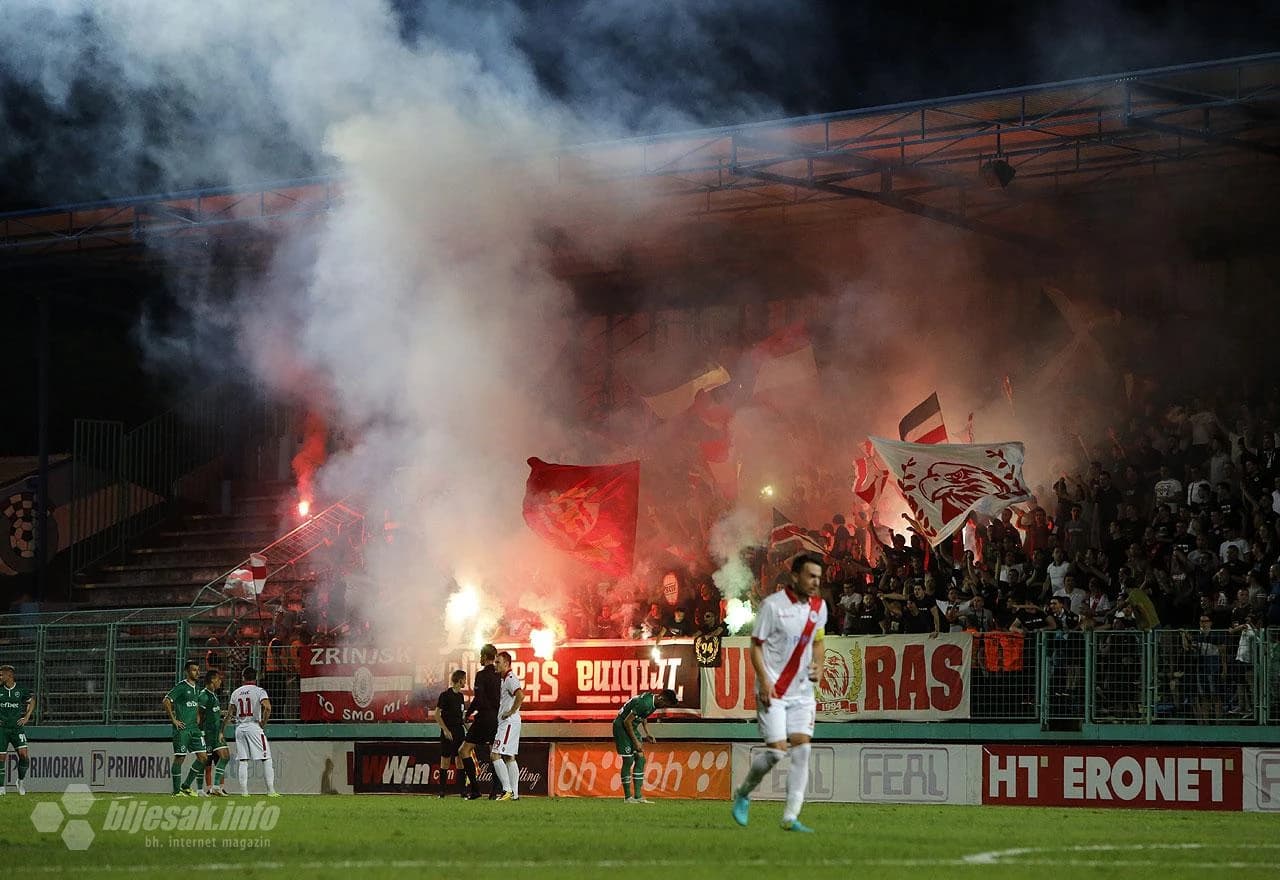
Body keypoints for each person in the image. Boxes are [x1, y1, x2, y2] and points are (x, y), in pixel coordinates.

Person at [731, 553, 827, 833]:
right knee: (776, 753)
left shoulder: (819, 607)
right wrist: (764, 680)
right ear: (795, 576)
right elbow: (756, 646)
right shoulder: (772, 607)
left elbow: (818, 642)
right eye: (811, 576)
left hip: (802, 692)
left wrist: (818, 664)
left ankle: (790, 817)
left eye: (818, 578)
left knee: (803, 750)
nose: (815, 582)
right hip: (774, 688)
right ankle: (743, 792)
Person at [613, 689, 679, 803]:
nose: (664, 707)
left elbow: (643, 716)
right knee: (628, 760)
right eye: (665, 704)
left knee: (641, 759)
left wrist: (647, 733)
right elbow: (627, 722)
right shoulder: (645, 703)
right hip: (621, 727)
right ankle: (628, 798)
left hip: (631, 727)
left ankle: (638, 797)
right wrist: (636, 742)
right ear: (661, 698)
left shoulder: (653, 703)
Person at [228, 666, 279, 797]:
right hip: (254, 726)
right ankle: (271, 791)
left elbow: (230, 714)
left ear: (243, 677)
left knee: (243, 760)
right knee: (266, 758)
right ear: (256, 677)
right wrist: (263, 723)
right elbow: (267, 707)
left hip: (240, 728)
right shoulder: (259, 691)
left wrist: (235, 720)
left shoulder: (236, 692)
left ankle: (244, 792)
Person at [459, 643, 500, 800]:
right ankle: (495, 791)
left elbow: (479, 698)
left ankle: (475, 789)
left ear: (484, 656)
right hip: (497, 718)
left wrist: (469, 713)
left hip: (484, 718)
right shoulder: (500, 676)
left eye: (480, 656)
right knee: (495, 754)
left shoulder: (481, 675)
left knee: (464, 750)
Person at [163, 661, 209, 796]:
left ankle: (186, 786)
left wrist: (197, 718)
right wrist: (174, 720)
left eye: (198, 670)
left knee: (203, 757)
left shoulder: (197, 688)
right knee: (180, 758)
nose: (197, 672)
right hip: (182, 729)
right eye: (194, 670)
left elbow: (195, 705)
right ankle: (176, 791)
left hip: (194, 729)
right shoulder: (182, 687)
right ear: (187, 672)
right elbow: (166, 700)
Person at [492, 651, 524, 801]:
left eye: (498, 662)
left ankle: (507, 790)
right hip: (511, 721)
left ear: (506, 663)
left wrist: (510, 711)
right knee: (510, 757)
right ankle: (515, 794)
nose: (495, 665)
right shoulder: (504, 679)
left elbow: (520, 695)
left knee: (495, 754)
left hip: (509, 722)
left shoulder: (510, 678)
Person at [0, 664, 35, 795]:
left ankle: (20, 782)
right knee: (1, 757)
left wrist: (27, 717)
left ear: (10, 675)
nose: (0, 676)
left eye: (2, 674)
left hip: (17, 728)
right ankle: (1, 787)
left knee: (24, 756)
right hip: (2, 729)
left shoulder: (20, 690)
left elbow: (32, 701)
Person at [434, 670, 468, 798]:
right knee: (445, 761)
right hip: (448, 732)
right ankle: (442, 791)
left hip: (459, 732)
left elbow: (461, 717)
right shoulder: (445, 695)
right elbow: (437, 714)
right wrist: (445, 730)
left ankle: (462, 791)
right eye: (464, 679)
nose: (465, 682)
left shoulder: (460, 696)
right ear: (459, 681)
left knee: (460, 760)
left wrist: (467, 727)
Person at [196, 669, 230, 796]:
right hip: (207, 734)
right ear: (212, 680)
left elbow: (211, 713)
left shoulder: (214, 695)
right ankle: (200, 789)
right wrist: (199, 733)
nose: (220, 681)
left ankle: (216, 787)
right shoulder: (203, 696)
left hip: (216, 734)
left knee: (225, 756)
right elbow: (198, 716)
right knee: (204, 762)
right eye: (218, 679)